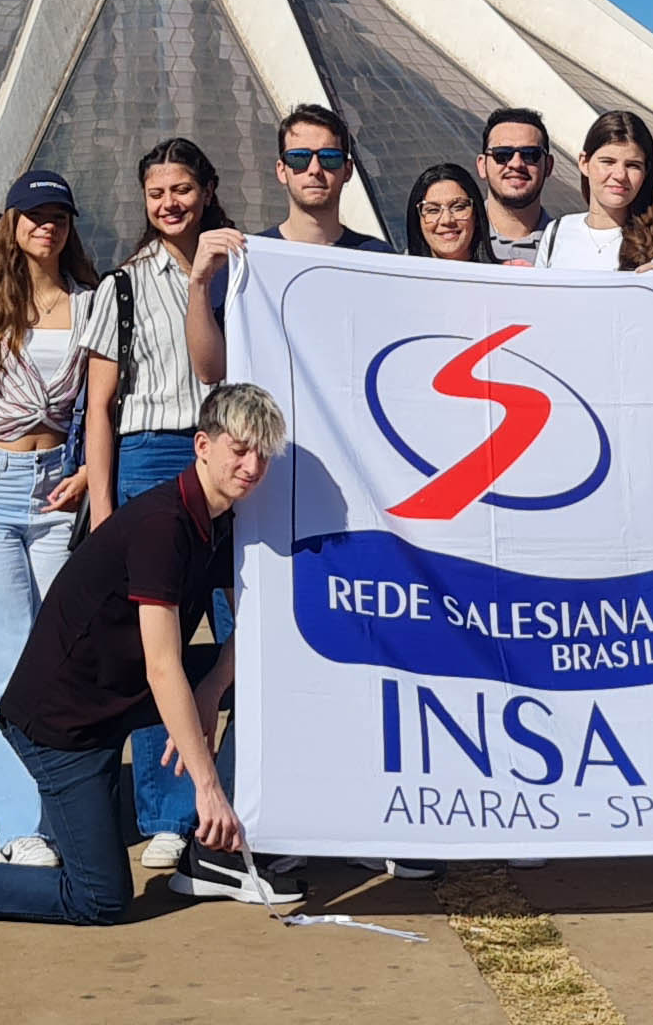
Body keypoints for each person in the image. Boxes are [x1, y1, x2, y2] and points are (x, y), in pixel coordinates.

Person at [0, 384, 303, 923]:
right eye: (239, 448)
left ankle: (213, 857)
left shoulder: (220, 521)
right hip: (63, 725)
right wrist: (207, 786)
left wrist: (213, 686)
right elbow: (162, 663)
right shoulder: (163, 525)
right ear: (202, 444)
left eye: (262, 452)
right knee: (99, 899)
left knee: (265, 672)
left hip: (118, 697)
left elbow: (255, 622)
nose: (251, 464)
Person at [0, 169, 111, 869]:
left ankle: (63, 813)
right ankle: (18, 827)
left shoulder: (93, 303)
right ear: (10, 224)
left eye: (58, 216)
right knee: (0, 666)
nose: (46, 226)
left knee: (61, 658)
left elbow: (102, 406)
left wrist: (88, 480)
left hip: (56, 495)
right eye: (33, 215)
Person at [89, 138, 230, 871]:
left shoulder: (240, 270)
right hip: (151, 452)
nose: (170, 203)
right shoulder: (122, 285)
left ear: (206, 190)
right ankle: (170, 811)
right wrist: (105, 506)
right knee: (162, 638)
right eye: (156, 193)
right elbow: (102, 405)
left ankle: (239, 794)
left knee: (242, 631)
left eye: (182, 188)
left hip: (231, 454)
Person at [187, 104, 394, 384]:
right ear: (282, 170)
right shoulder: (245, 259)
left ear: (347, 170)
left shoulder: (379, 261)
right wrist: (198, 284)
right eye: (299, 158)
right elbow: (208, 371)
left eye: (330, 158)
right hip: (267, 424)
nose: (314, 170)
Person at [534, 110, 653, 271]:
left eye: (633, 165)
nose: (620, 175)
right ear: (584, 163)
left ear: (646, 172)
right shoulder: (557, 232)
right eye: (608, 162)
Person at [476, 107, 555, 265]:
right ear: (482, 165)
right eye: (502, 155)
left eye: (530, 154)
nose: (516, 164)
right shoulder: (452, 241)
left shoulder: (567, 247)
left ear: (548, 165)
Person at [406, 163, 496, 264]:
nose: (447, 220)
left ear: (476, 215)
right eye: (433, 210)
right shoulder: (397, 277)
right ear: (418, 220)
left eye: (458, 207)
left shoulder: (503, 276)